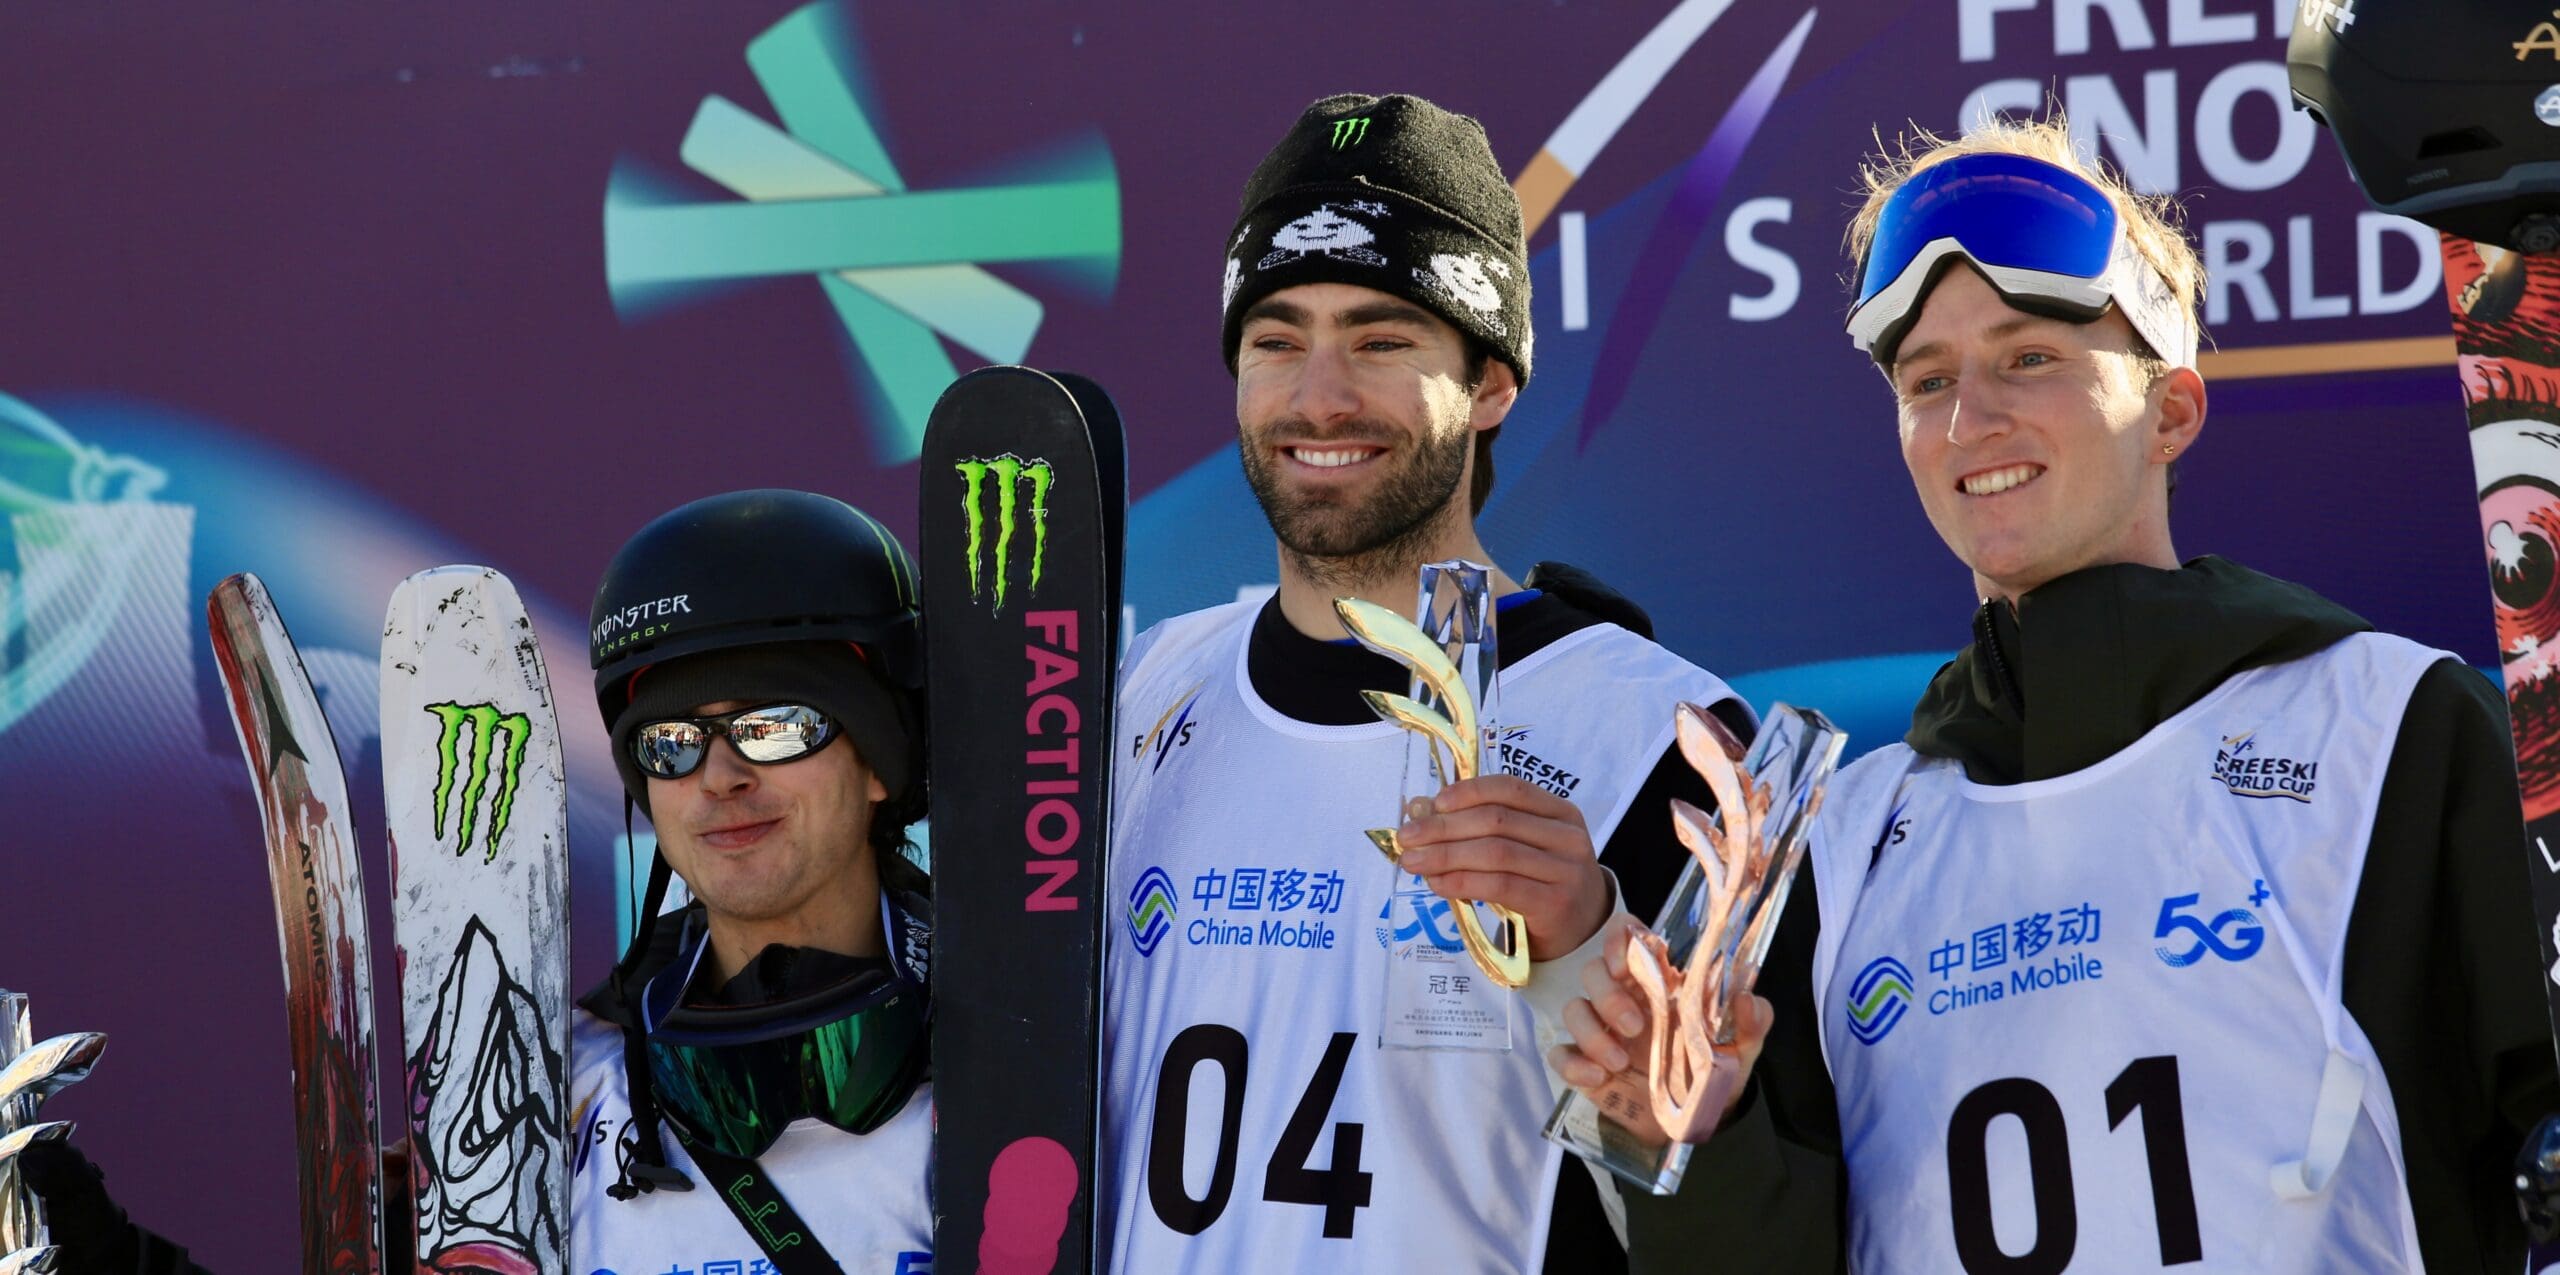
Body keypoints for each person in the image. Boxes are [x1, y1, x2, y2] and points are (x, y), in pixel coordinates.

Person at [1548, 115, 2560, 1272]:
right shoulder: (1830, 846)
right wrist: (1704, 1146)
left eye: (2030, 357)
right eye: (1927, 380)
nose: (1970, 419)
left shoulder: (2394, 735)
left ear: (2169, 410)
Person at [1100, 92, 1750, 1274]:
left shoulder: (1667, 738)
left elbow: (1728, 1200)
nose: (1319, 397)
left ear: (1492, 383)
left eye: (1383, 338)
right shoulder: (1141, 697)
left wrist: (1586, 943)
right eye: (1276, 339)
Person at [571, 488, 936, 1272]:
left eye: (774, 726)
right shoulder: (569, 1087)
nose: (720, 776)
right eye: (670, 742)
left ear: (878, 759)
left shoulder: (1028, 1059)